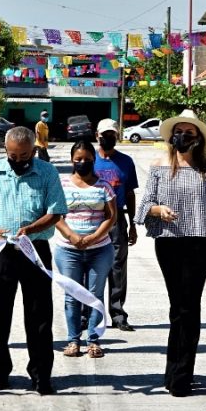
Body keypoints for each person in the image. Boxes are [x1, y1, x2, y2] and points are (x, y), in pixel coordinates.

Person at [137, 110, 206, 397]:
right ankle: (172, 371)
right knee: (176, 307)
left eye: (189, 133)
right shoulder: (160, 165)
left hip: (199, 241)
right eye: (178, 131)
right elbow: (145, 205)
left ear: (198, 139)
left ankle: (182, 376)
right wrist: (159, 210)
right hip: (168, 241)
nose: (182, 137)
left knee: (189, 306)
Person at [0, 126, 68, 395]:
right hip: (2, 250)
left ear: (33, 150)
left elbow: (56, 211)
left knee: (39, 314)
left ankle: (40, 374)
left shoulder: (47, 172)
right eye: (13, 156)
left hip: (35, 249)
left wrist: (31, 229)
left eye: (24, 155)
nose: (18, 161)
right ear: (6, 151)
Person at [55, 140, 116, 359]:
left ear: (94, 159)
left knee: (95, 295)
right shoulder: (61, 184)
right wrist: (71, 236)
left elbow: (111, 217)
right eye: (78, 159)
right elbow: (55, 215)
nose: (83, 162)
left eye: (87, 159)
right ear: (72, 160)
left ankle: (93, 340)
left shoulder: (104, 186)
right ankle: (73, 341)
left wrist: (93, 237)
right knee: (72, 296)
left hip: (99, 249)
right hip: (68, 249)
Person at [94, 118, 139, 331]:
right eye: (105, 135)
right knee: (91, 267)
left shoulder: (126, 162)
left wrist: (133, 224)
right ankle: (90, 314)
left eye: (112, 134)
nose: (108, 138)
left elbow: (129, 193)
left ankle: (118, 314)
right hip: (91, 217)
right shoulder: (88, 158)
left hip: (117, 219)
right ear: (97, 136)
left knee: (117, 267)